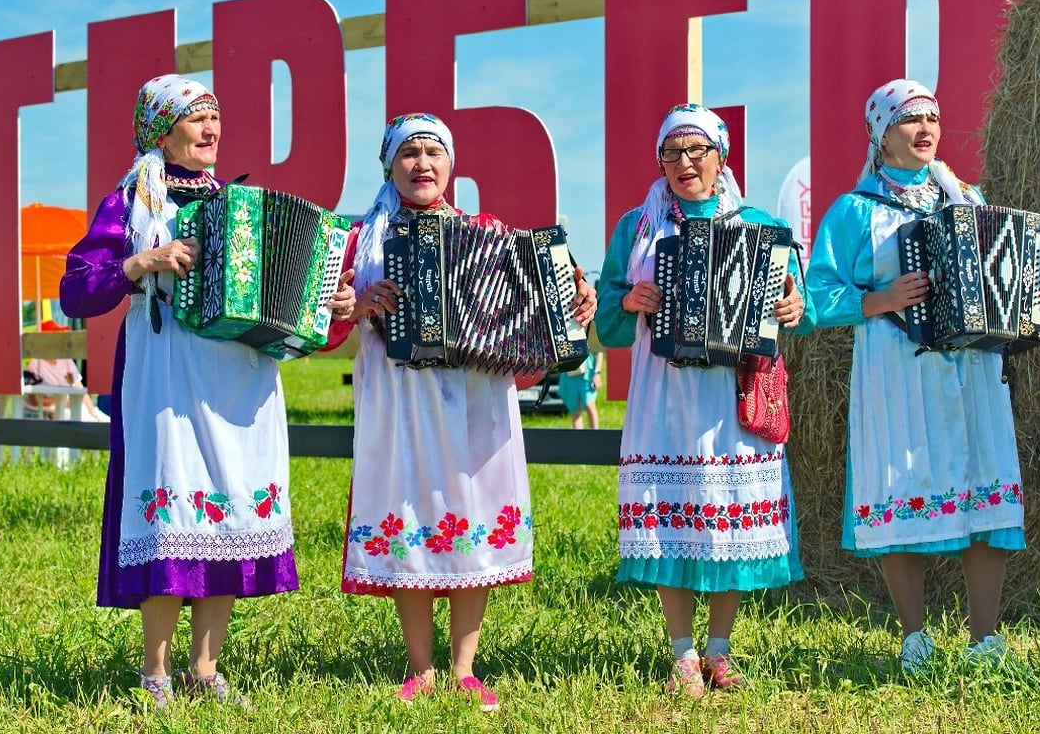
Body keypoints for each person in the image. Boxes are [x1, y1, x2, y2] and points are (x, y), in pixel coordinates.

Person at [60, 74, 355, 709]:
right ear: (161, 131)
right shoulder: (134, 200)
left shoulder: (241, 205)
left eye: (215, 116)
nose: (211, 128)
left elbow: (298, 309)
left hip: (242, 378)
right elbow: (77, 291)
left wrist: (333, 303)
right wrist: (143, 261)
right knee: (174, 511)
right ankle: (155, 672)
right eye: (197, 118)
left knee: (230, 507)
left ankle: (206, 667)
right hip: (167, 370)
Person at [323, 113, 597, 711]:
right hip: (401, 397)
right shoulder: (362, 238)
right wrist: (355, 303)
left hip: (477, 398)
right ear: (389, 166)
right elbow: (323, 322)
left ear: (451, 165)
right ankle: (420, 668)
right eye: (409, 154)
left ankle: (464, 668)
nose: (422, 163)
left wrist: (574, 294)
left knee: (474, 511)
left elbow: (539, 303)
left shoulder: (489, 230)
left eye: (433, 152)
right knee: (410, 510)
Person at [806, 79, 1040, 674]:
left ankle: (986, 642)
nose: (925, 129)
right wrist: (879, 299)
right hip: (896, 371)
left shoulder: (968, 199)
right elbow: (816, 295)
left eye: (932, 118)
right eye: (908, 119)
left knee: (985, 487)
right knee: (898, 488)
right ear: (880, 134)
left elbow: (1005, 269)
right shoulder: (854, 212)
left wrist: (1038, 293)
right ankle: (914, 638)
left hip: (974, 369)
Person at [595, 103, 813, 697]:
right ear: (660, 161)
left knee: (729, 521)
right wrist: (631, 302)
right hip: (664, 395)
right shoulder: (635, 228)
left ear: (722, 156)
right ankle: (682, 653)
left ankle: (719, 649)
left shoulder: (760, 223)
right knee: (675, 519)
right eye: (672, 152)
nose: (685, 163)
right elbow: (607, 322)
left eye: (697, 150)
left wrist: (795, 308)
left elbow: (799, 302)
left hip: (729, 391)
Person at [557, 346, 601, 429]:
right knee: (574, 409)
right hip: (569, 371)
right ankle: (579, 439)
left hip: (588, 371)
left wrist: (597, 373)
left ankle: (595, 436)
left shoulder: (591, 332)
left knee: (590, 405)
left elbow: (599, 350)